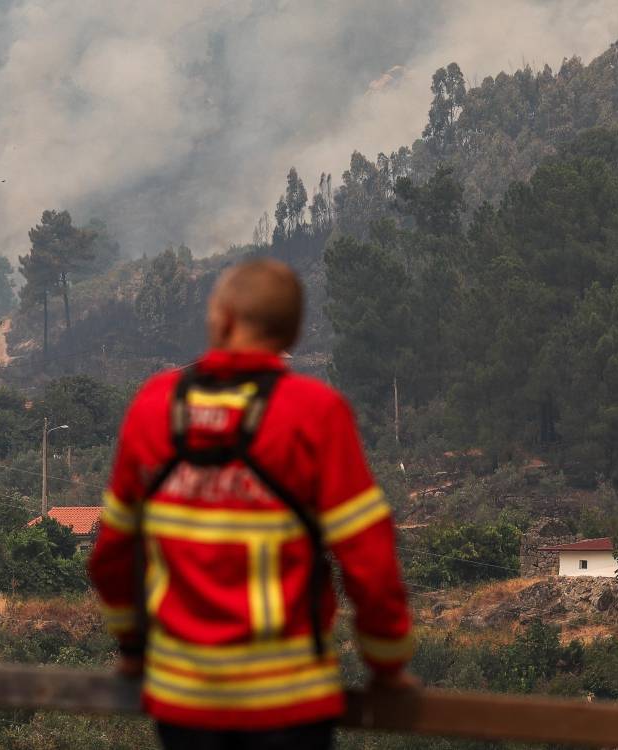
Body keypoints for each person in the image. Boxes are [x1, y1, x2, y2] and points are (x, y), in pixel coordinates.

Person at [88, 259, 415, 750]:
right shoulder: (315, 413)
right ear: (293, 332)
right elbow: (369, 561)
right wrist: (387, 666)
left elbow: (112, 554)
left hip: (183, 702)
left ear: (221, 319)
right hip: (290, 703)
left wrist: (133, 649)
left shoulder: (154, 405)